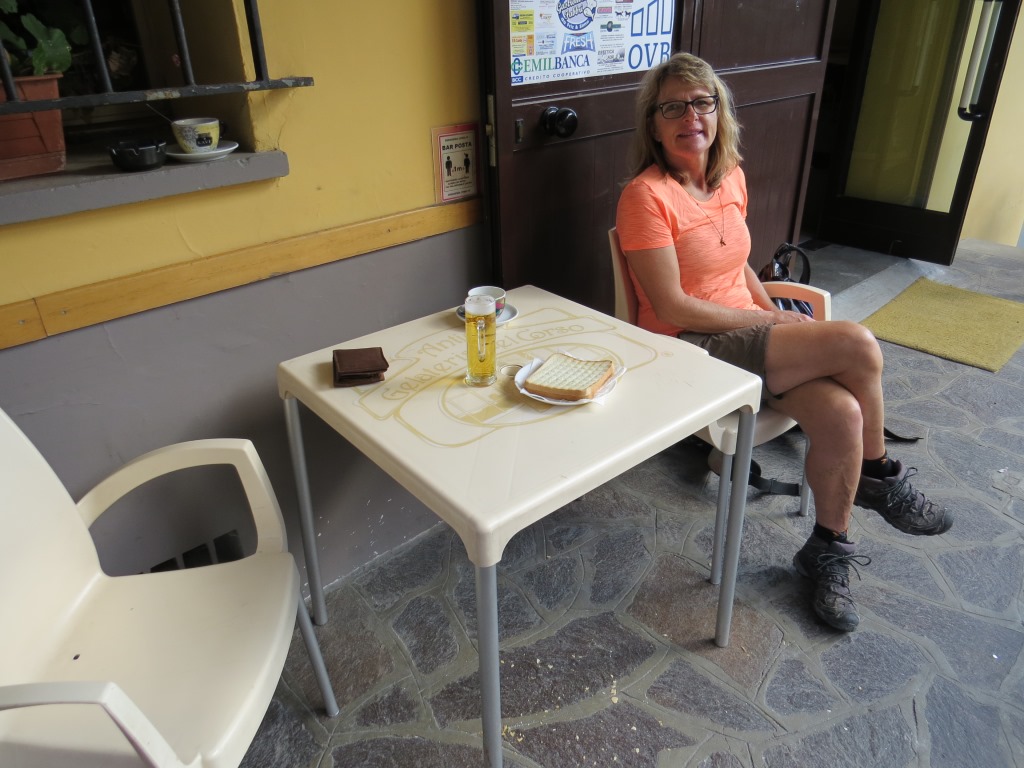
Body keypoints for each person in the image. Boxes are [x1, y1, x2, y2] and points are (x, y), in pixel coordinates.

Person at [615, 52, 953, 632]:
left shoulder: (730, 177)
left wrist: (771, 312)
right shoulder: (646, 196)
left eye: (702, 103)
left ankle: (827, 548)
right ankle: (879, 474)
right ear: (654, 124)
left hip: (750, 334)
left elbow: (740, 265)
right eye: (673, 108)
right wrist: (772, 326)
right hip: (690, 346)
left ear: (719, 113)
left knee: (844, 414)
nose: (690, 117)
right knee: (858, 344)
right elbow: (670, 306)